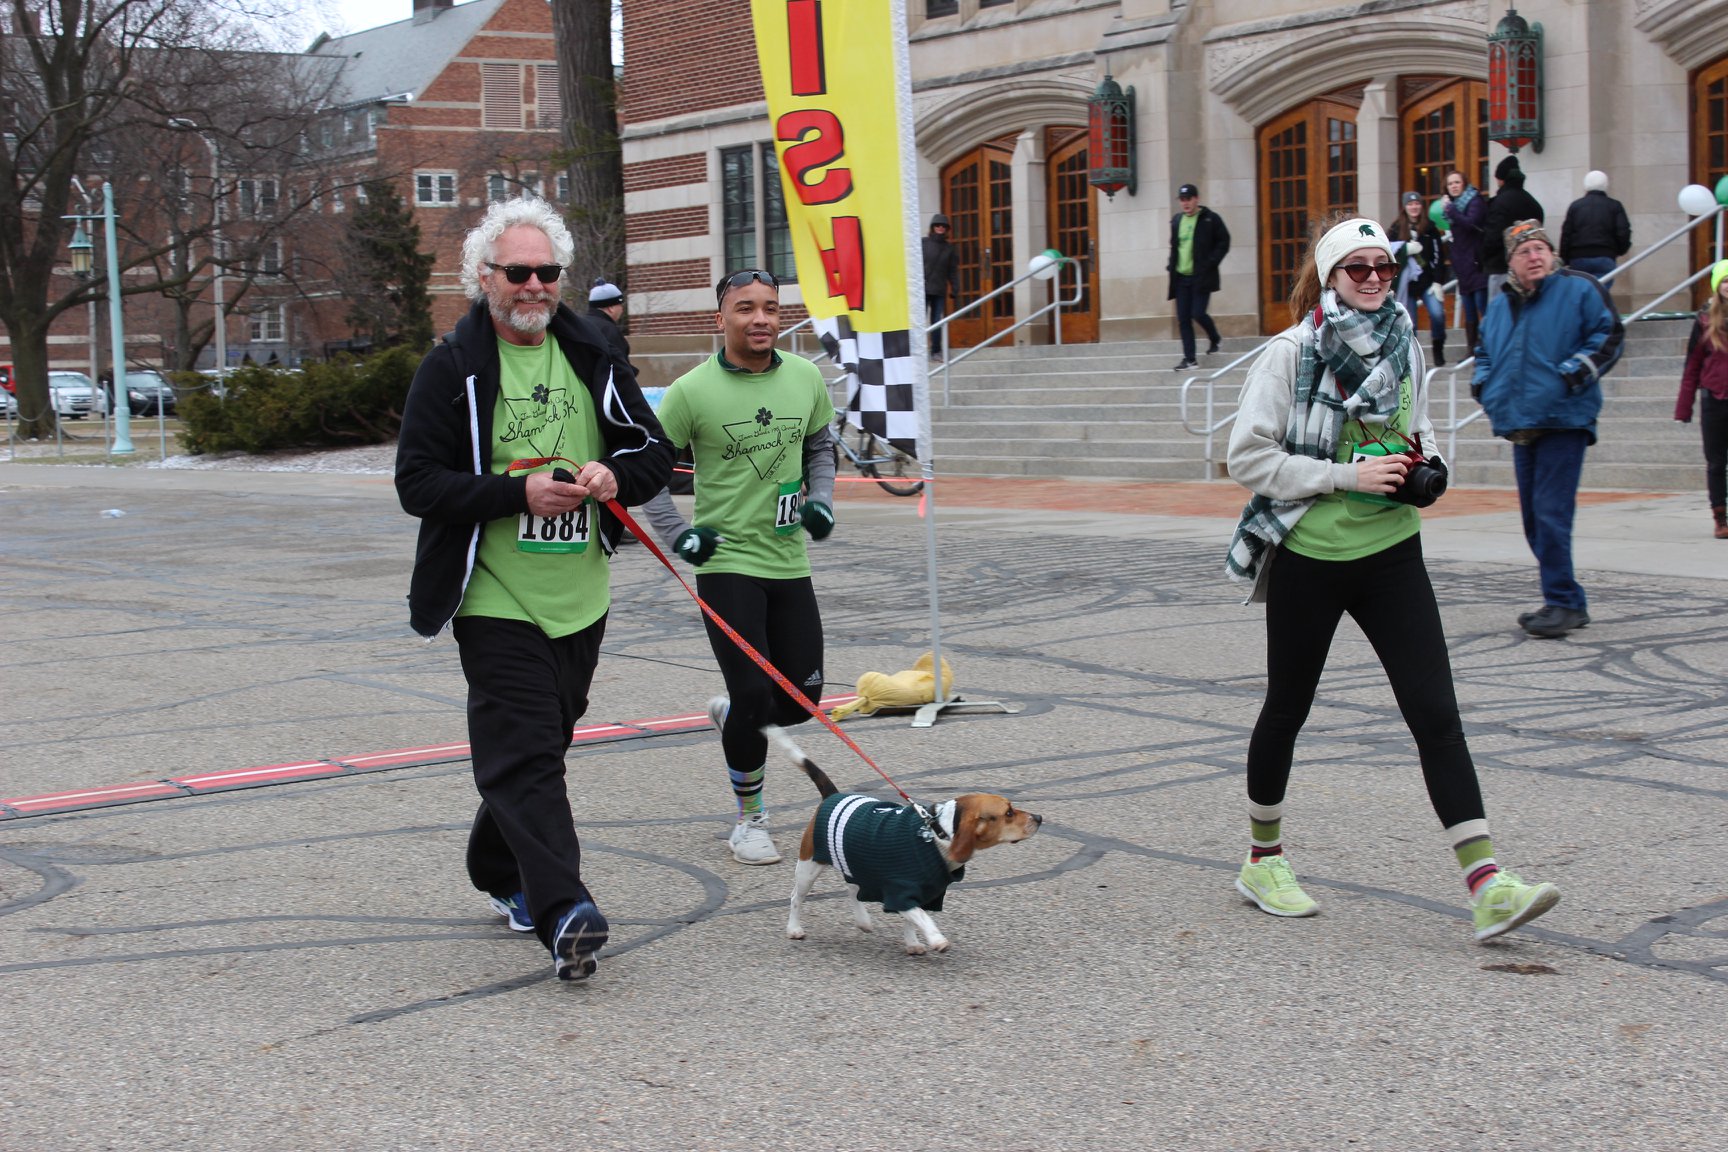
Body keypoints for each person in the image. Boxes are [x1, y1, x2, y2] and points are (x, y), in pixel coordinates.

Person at [1224, 212, 1561, 944]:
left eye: (1384, 266)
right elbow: (1246, 458)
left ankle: (1488, 886)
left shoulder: (1406, 343)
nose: (1375, 279)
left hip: (1391, 554)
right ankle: (1262, 859)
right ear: (1329, 277)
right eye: (1359, 269)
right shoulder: (1291, 354)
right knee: (1287, 709)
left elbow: (1420, 434)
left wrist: (1429, 474)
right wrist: (1347, 474)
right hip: (1311, 554)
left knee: (1435, 714)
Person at [394, 196, 674, 982]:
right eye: (519, 272)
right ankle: (564, 912)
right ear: (484, 277)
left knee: (536, 749)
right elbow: (417, 483)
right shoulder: (452, 367)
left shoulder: (593, 352)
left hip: (579, 592)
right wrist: (516, 494)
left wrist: (614, 473)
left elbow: (655, 450)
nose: (535, 287)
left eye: (548, 273)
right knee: (526, 755)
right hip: (491, 594)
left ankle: (497, 866)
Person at [640, 268, 837, 866]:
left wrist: (821, 500)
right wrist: (679, 536)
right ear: (719, 318)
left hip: (788, 558)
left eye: (771, 309)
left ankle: (734, 716)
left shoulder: (805, 377)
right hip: (726, 564)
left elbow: (819, 446)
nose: (761, 319)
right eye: (746, 308)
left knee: (802, 699)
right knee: (752, 688)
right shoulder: (690, 391)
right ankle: (749, 819)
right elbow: (647, 472)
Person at [1473, 220, 1624, 639]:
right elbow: (1483, 349)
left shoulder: (1580, 287)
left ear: (1551, 253)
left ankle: (1562, 601)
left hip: (1565, 418)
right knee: (1534, 520)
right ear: (1512, 262)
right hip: (1522, 422)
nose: (1534, 256)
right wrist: (1482, 385)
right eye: (1524, 251)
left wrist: (1572, 375)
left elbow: (1609, 334)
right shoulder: (1501, 303)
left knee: (1551, 514)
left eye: (1540, 248)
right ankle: (1567, 599)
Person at [1675, 259, 1728, 540]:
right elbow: (1692, 366)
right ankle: (1721, 517)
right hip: (1714, 400)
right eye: (1725, 281)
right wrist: (1684, 406)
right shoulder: (1705, 320)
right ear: (1717, 286)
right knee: (1716, 463)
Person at [1167, 183, 1230, 371]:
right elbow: (1175, 246)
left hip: (1201, 276)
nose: (1185, 203)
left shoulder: (1210, 219)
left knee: (1198, 313)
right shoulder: (1177, 221)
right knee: (1183, 318)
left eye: (1189, 199)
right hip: (1180, 277)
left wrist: (1211, 262)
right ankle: (1190, 359)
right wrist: (1172, 264)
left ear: (1197, 199)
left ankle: (1215, 338)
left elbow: (1224, 241)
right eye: (1182, 199)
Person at [1388, 190, 1449, 366]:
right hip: (1405, 285)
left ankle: (1438, 349)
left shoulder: (1430, 228)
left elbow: (1438, 257)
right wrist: (1406, 248)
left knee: (1437, 314)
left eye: (1417, 204)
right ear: (1405, 207)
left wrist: (1438, 281)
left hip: (1427, 281)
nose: (1414, 207)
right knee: (1409, 324)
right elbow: (1388, 249)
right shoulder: (1396, 228)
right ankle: (1412, 359)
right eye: (1410, 204)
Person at [1480, 155, 1543, 300]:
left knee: (1500, 313)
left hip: (1502, 267)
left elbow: (1492, 238)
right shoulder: (1533, 203)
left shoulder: (1499, 203)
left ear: (1501, 180)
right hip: (1529, 268)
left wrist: (1483, 257)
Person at [1440, 170, 1490, 353]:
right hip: (1462, 267)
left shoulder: (1474, 201)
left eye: (1457, 182)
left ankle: (1488, 348)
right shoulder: (1453, 207)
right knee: (1469, 312)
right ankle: (1472, 351)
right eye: (1450, 183)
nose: (1453, 186)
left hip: (1476, 264)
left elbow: (1472, 224)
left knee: (1482, 308)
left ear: (1464, 184)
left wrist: (1452, 212)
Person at [1559, 170, 1632, 282]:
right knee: (1600, 293)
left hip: (1578, 257)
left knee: (1582, 294)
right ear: (1606, 185)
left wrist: (1564, 258)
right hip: (1605, 256)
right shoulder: (1615, 206)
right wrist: (1618, 251)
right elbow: (1623, 232)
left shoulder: (1575, 206)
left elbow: (1566, 234)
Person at [921, 213, 959, 360]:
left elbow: (952, 270)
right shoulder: (923, 243)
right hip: (921, 289)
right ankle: (915, 350)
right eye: (937, 225)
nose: (940, 228)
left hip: (939, 290)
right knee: (918, 321)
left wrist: (955, 288)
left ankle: (936, 350)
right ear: (932, 227)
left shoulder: (949, 249)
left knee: (937, 321)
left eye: (943, 226)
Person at [586, 278, 633, 369]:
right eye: (619, 305)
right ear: (611, 308)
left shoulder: (580, 324)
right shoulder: (609, 330)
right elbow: (620, 367)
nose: (622, 309)